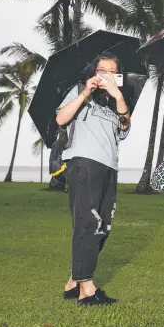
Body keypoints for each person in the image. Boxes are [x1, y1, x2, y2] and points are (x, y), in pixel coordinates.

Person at [57, 52, 131, 306]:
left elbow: (124, 129)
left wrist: (119, 96)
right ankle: (87, 289)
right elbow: (61, 118)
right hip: (84, 163)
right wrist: (84, 93)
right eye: (102, 70)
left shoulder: (115, 104)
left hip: (109, 167)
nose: (106, 75)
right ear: (93, 72)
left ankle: (74, 282)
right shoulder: (79, 92)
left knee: (103, 227)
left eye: (112, 71)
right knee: (87, 223)